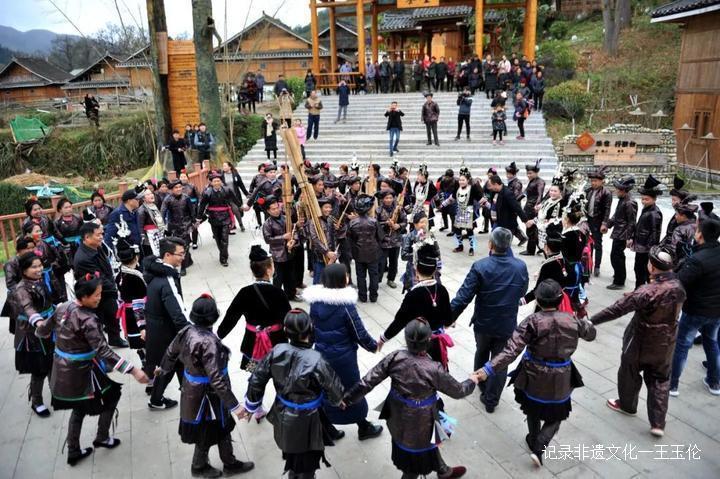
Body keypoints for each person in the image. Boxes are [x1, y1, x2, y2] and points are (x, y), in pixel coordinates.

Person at [477, 279, 596, 466]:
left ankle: (535, 440)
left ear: (538, 301)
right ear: (560, 299)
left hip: (534, 374)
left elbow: (511, 350)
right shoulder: (571, 320)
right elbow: (591, 334)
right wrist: (587, 323)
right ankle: (540, 443)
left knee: (532, 408)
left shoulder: (532, 322)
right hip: (562, 373)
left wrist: (488, 368)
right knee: (558, 414)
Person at [35, 275, 148, 466]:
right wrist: (133, 370)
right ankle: (101, 437)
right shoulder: (88, 320)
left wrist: (38, 330)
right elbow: (103, 351)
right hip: (80, 371)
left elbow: (44, 329)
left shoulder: (63, 307)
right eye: (96, 295)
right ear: (84, 296)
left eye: (100, 294)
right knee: (111, 395)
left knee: (79, 408)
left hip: (63, 367)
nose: (99, 298)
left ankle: (73, 450)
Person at [345, 319, 478, 479]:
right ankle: (440, 471)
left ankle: (443, 470)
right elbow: (459, 391)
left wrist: (347, 399)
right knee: (414, 464)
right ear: (429, 340)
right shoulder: (433, 368)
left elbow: (368, 381)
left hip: (397, 412)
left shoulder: (395, 357)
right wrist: (472, 381)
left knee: (427, 443)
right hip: (422, 419)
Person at [591, 246, 686, 437]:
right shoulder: (678, 287)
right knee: (660, 379)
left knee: (629, 372)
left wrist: (591, 321)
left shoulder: (646, 291)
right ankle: (658, 423)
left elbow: (616, 309)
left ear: (651, 266)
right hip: (666, 342)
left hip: (641, 340)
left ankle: (627, 405)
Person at [159, 294, 255, 478]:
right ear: (214, 317)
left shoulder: (186, 331)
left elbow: (170, 352)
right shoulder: (209, 342)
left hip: (192, 388)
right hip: (209, 396)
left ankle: (228, 461)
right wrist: (235, 406)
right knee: (210, 430)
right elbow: (217, 379)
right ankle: (200, 466)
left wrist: (162, 370)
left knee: (220, 427)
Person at [241, 309, 345, 479]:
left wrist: (251, 405)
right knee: (307, 460)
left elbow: (256, 378)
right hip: (308, 419)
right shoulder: (316, 358)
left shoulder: (276, 350)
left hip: (283, 413)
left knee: (292, 452)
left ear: (286, 331)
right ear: (310, 329)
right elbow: (334, 389)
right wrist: (338, 400)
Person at [451, 227, 529, 413]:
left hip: (484, 323)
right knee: (500, 360)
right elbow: (522, 291)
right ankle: (491, 400)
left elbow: (463, 297)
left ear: (490, 244)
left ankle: (481, 383)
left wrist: (448, 317)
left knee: (482, 351)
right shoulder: (520, 266)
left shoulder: (480, 266)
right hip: (506, 323)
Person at [302, 264, 383, 441]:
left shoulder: (315, 303)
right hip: (344, 359)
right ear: (342, 280)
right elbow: (359, 333)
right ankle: (363, 426)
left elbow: (312, 330)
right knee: (352, 391)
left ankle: (327, 429)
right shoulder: (345, 306)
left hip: (322, 357)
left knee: (326, 391)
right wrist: (373, 346)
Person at [218, 245, 290, 380]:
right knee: (279, 376)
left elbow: (230, 317)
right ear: (269, 270)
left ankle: (253, 398)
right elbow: (289, 319)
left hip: (252, 344)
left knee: (255, 377)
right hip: (277, 344)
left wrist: (218, 336)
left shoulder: (244, 292)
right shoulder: (279, 293)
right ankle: (280, 398)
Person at [670, 210, 720, 396]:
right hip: (716, 311)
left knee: (682, 345)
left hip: (696, 311)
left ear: (700, 235)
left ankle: (672, 385)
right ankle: (714, 382)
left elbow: (679, 284)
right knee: (712, 343)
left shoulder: (697, 260)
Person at [380, 242, 454, 366]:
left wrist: (384, 338)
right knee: (436, 373)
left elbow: (400, 320)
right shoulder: (442, 290)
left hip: (418, 345)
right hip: (437, 346)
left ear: (416, 270)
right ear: (435, 270)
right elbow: (448, 320)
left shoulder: (413, 295)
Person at [144, 237, 189, 410]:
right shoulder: (167, 279)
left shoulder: (156, 272)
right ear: (168, 255)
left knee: (171, 365)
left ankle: (157, 399)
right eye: (180, 254)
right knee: (174, 363)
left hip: (158, 328)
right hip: (167, 331)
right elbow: (177, 311)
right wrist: (188, 332)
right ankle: (189, 395)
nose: (183, 257)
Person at [10, 252, 55, 417]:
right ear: (23, 271)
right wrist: (38, 321)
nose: (39, 269)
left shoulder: (39, 281)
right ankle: (37, 401)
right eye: (34, 267)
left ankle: (56, 392)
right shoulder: (21, 289)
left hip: (48, 327)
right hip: (32, 333)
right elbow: (28, 307)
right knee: (39, 369)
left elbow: (48, 302)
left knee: (52, 361)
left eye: (40, 266)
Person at [74, 222, 127, 347]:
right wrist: (116, 288)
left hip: (106, 289)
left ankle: (115, 339)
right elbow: (98, 279)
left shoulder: (97, 246)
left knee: (113, 315)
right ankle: (100, 347)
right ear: (87, 237)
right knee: (98, 321)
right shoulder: (83, 258)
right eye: (98, 235)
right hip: (94, 293)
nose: (101, 237)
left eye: (101, 234)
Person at [199, 172, 243, 266]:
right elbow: (202, 206)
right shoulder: (207, 193)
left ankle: (223, 258)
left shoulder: (227, 190)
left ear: (221, 181)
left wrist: (241, 206)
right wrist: (198, 218)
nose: (217, 183)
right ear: (211, 183)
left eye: (218, 181)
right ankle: (223, 252)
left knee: (224, 238)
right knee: (218, 238)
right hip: (213, 217)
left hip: (225, 216)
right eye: (215, 181)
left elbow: (235, 199)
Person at [262, 197, 300, 300]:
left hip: (289, 251)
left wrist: (293, 240)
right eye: (273, 209)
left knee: (290, 276)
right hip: (278, 255)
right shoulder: (267, 224)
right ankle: (276, 297)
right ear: (268, 211)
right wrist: (283, 237)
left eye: (277, 207)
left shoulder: (285, 218)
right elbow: (268, 239)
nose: (276, 210)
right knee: (278, 277)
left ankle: (291, 295)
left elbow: (294, 231)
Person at [115, 240, 147, 362]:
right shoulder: (136, 276)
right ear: (135, 258)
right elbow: (138, 302)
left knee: (137, 341)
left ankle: (143, 360)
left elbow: (119, 297)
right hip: (139, 313)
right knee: (144, 339)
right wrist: (142, 325)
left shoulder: (119, 275)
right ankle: (149, 368)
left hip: (127, 313)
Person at [605, 176, 638, 290]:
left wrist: (629, 237)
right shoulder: (622, 200)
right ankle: (618, 274)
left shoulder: (630, 202)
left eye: (618, 190)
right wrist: (608, 225)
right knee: (615, 255)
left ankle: (619, 281)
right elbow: (616, 215)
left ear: (624, 190)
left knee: (617, 256)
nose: (616, 191)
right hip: (618, 232)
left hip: (623, 234)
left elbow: (632, 222)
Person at [631, 175, 663, 289]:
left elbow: (655, 233)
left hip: (646, 248)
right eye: (642, 199)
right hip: (640, 245)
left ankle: (643, 292)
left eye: (646, 199)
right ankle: (639, 291)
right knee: (638, 269)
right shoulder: (647, 209)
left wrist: (651, 250)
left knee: (644, 272)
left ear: (654, 199)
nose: (643, 201)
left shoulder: (655, 213)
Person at [2, 236, 36, 331]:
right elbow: (10, 284)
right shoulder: (11, 263)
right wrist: (25, 292)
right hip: (18, 297)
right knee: (22, 327)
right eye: (27, 248)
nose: (31, 250)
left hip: (32, 293)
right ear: (19, 250)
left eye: (33, 247)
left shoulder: (31, 260)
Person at [162, 180, 196, 275]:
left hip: (185, 225)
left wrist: (193, 222)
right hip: (174, 226)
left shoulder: (186, 198)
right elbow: (162, 212)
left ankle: (183, 267)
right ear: (172, 189)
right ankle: (188, 260)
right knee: (176, 246)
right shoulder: (167, 199)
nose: (178, 189)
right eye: (176, 188)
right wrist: (163, 225)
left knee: (185, 246)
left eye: (180, 187)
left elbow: (192, 211)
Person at [447, 166, 482, 256]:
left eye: (463, 180)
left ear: (467, 180)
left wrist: (489, 206)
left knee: (469, 231)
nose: (461, 182)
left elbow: (480, 198)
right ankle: (460, 245)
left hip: (468, 212)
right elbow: (452, 198)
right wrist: (442, 204)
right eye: (460, 180)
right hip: (459, 211)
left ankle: (472, 248)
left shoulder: (472, 188)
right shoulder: (457, 188)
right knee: (457, 230)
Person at [585, 166, 613, 276]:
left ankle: (597, 266)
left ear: (602, 181)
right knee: (588, 243)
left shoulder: (606, 193)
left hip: (598, 221)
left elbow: (607, 209)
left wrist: (604, 223)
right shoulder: (588, 191)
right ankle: (588, 264)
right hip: (588, 220)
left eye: (596, 181)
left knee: (598, 244)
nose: (593, 183)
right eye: (592, 181)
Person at [484, 175, 529, 242]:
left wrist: (525, 220)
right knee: (496, 244)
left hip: (507, 225)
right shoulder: (495, 192)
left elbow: (516, 207)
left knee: (504, 246)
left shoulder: (507, 193)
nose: (490, 188)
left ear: (496, 184)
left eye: (490, 186)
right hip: (499, 222)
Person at [377, 190, 406, 289]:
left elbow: (405, 221)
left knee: (394, 262)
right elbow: (375, 224)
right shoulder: (378, 210)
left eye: (390, 198)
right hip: (383, 241)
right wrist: (385, 223)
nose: (389, 200)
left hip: (395, 240)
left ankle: (391, 279)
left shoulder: (398, 209)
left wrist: (398, 225)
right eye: (386, 198)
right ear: (382, 199)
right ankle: (377, 279)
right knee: (381, 262)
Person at [308, 197, 337, 284]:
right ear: (320, 208)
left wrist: (334, 253)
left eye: (330, 207)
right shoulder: (314, 222)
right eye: (326, 207)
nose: (329, 209)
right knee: (319, 281)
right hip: (320, 256)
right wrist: (326, 251)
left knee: (329, 280)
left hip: (331, 255)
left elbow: (333, 237)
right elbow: (315, 239)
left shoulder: (330, 219)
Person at [137, 188, 167, 258]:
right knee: (154, 253)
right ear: (143, 198)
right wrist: (143, 237)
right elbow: (140, 225)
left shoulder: (154, 205)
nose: (151, 195)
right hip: (150, 235)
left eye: (151, 193)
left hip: (159, 231)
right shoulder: (141, 210)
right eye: (148, 194)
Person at [54, 197, 83, 265]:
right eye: (66, 207)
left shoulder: (78, 217)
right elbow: (57, 235)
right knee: (70, 264)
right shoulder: (57, 222)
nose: (69, 209)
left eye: (70, 207)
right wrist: (65, 244)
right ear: (60, 210)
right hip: (66, 246)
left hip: (79, 243)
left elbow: (83, 230)